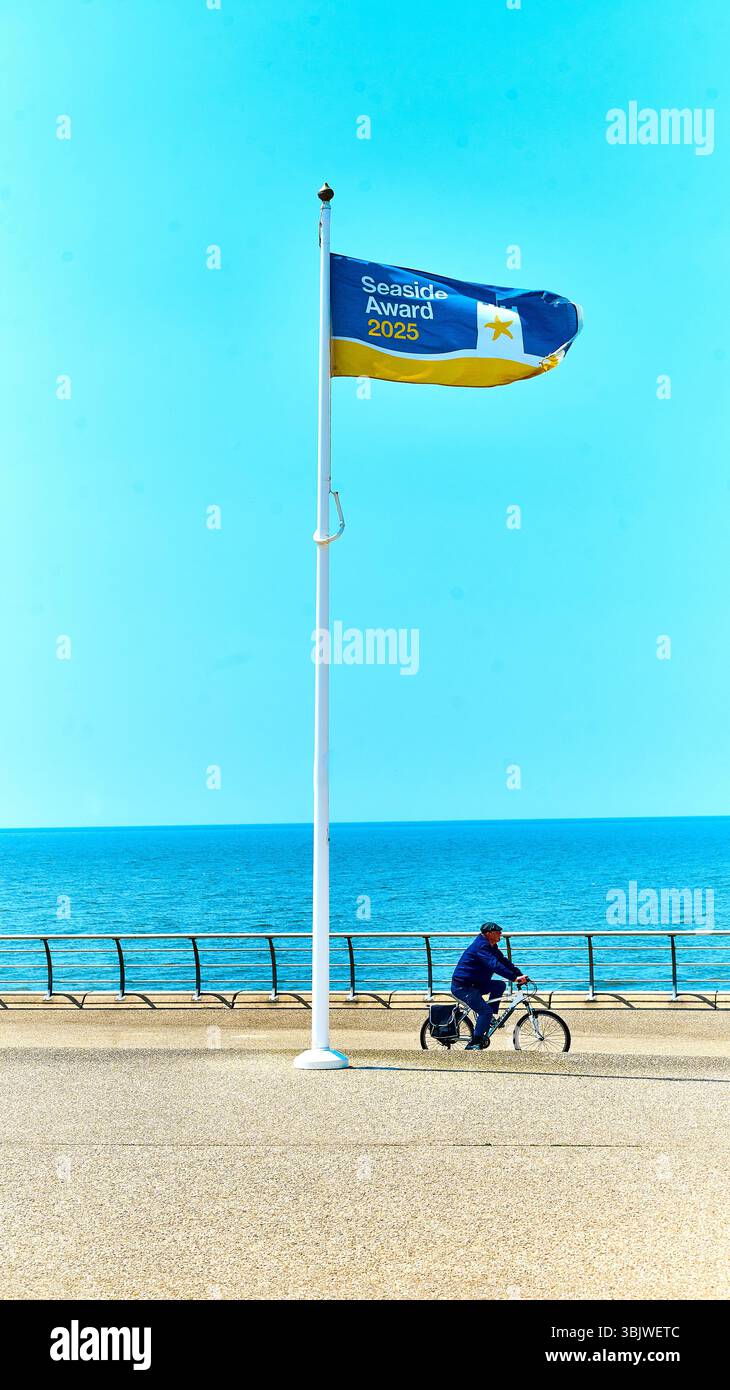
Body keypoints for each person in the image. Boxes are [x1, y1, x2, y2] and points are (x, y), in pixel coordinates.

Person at [451, 921, 529, 1050]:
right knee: (484, 1011)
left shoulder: (491, 946)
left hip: (476, 984)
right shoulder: (481, 947)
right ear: (488, 934)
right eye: (497, 932)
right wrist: (514, 978)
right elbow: (495, 965)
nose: (501, 934)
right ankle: (474, 1042)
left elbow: (503, 961)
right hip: (463, 987)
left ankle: (490, 1018)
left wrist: (520, 974)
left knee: (499, 986)